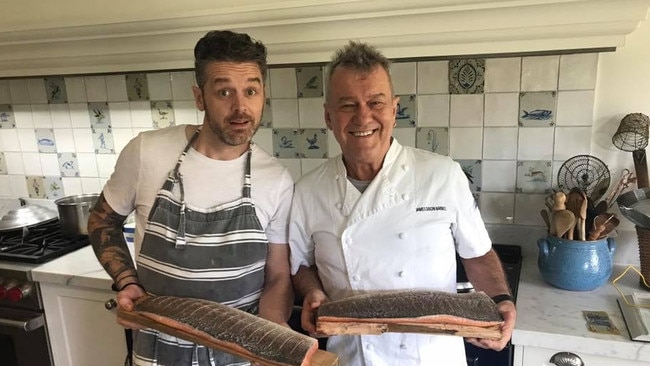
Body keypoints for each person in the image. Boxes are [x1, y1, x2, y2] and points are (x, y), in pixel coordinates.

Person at [289, 41, 516, 366]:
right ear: (328, 116)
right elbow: (300, 264)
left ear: (395, 110)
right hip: (352, 355)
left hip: (432, 357)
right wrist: (312, 292)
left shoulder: (442, 175)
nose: (362, 116)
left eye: (375, 102)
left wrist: (502, 299)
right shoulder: (308, 190)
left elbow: (478, 255)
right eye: (347, 105)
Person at [88, 30, 295, 366]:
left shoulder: (276, 180)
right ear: (200, 97)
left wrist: (274, 327)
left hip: (239, 356)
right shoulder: (148, 152)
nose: (240, 107)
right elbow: (101, 219)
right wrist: (127, 281)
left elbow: (278, 276)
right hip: (155, 353)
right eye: (224, 91)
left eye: (251, 91)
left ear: (263, 94)